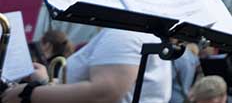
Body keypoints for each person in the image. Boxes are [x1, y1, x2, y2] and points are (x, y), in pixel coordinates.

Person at [1, 28, 172, 103]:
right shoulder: (127, 32)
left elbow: (103, 93)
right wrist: (45, 83)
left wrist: (29, 93)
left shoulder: (125, 33)